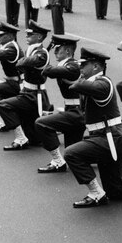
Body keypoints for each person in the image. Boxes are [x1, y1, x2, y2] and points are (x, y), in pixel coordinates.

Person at [64, 47, 122, 208]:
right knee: (115, 190)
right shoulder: (93, 82)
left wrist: (73, 79)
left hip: (111, 138)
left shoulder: (103, 84)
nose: (80, 68)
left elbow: (79, 87)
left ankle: (96, 193)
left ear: (96, 67)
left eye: (83, 65)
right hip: (106, 138)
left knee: (71, 153)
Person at [0, 21, 53, 150]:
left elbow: (22, 63)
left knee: (3, 105)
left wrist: (22, 61)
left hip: (34, 95)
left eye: (30, 35)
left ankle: (20, 138)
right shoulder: (31, 50)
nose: (26, 37)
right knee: (33, 134)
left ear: (39, 37)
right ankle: (29, 137)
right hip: (27, 91)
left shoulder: (42, 53)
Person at [34, 34, 83, 173]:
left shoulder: (73, 66)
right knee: (72, 153)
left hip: (76, 112)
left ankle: (57, 161)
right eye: (54, 50)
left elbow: (49, 71)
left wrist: (43, 57)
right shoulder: (69, 64)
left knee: (41, 123)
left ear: (68, 51)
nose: (55, 52)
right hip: (72, 110)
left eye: (58, 50)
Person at [0, 22, 24, 133]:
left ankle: (2, 121)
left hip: (18, 84)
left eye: (2, 35)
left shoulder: (11, 48)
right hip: (15, 82)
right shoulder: (9, 46)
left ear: (11, 36)